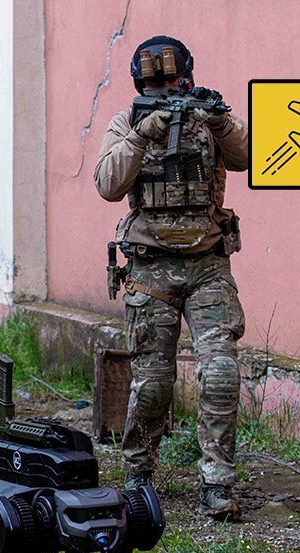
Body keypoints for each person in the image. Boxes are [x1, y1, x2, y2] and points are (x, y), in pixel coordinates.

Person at [93, 35, 250, 521]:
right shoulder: (127, 122)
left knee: (220, 373)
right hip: (151, 269)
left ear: (188, 78)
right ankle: (138, 474)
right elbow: (107, 184)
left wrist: (218, 120)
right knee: (153, 384)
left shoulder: (208, 116)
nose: (165, 91)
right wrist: (143, 135)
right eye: (155, 85)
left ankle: (217, 483)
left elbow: (246, 155)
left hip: (207, 265)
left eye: (173, 82)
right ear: (140, 86)